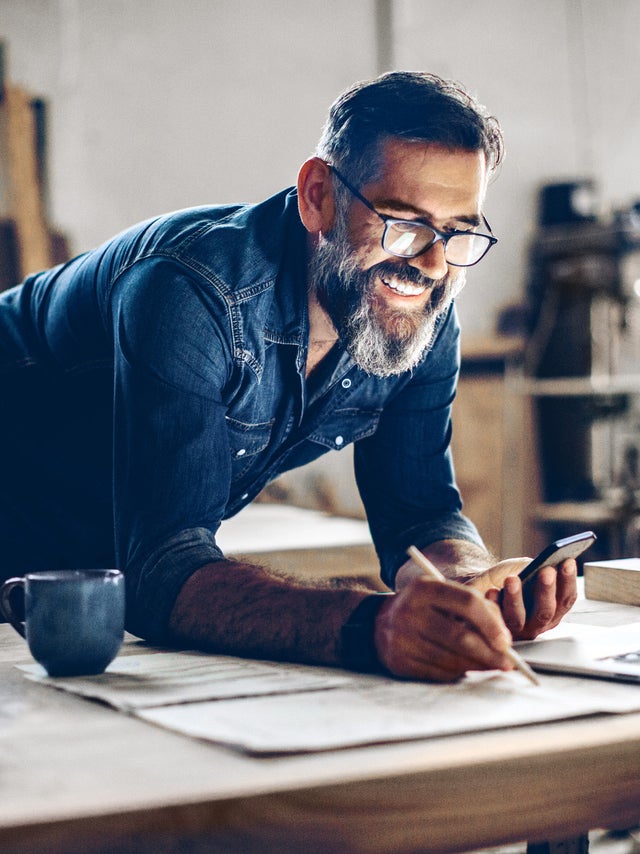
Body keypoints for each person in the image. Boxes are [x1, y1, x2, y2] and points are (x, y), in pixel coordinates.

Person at [0, 71, 577, 682]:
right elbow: (164, 569)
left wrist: (468, 585)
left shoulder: (418, 312)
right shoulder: (189, 292)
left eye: (458, 231)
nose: (432, 264)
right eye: (403, 223)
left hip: (81, 558)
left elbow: (419, 513)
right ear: (318, 197)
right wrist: (374, 626)